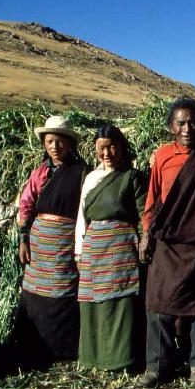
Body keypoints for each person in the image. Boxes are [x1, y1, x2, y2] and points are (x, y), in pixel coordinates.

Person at [138, 97, 195, 386]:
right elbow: (153, 198)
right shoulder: (162, 155)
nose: (187, 128)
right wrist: (146, 233)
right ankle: (157, 366)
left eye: (193, 123)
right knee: (158, 303)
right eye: (181, 123)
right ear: (171, 127)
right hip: (168, 241)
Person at [16, 115, 88, 362]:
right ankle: (34, 344)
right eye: (49, 142)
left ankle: (63, 348)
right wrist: (23, 239)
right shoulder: (40, 173)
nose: (55, 146)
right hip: (40, 240)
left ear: (70, 144)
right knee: (37, 288)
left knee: (63, 287)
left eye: (60, 141)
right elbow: (26, 205)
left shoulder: (82, 172)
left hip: (67, 238)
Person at [74, 125, 146, 371]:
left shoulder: (131, 176)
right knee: (92, 300)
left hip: (121, 245)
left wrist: (142, 242)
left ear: (122, 147)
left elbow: (143, 214)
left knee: (120, 300)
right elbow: (82, 217)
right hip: (93, 244)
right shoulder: (91, 178)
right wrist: (79, 250)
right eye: (101, 148)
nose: (106, 153)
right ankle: (92, 357)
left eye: (112, 147)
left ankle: (120, 360)